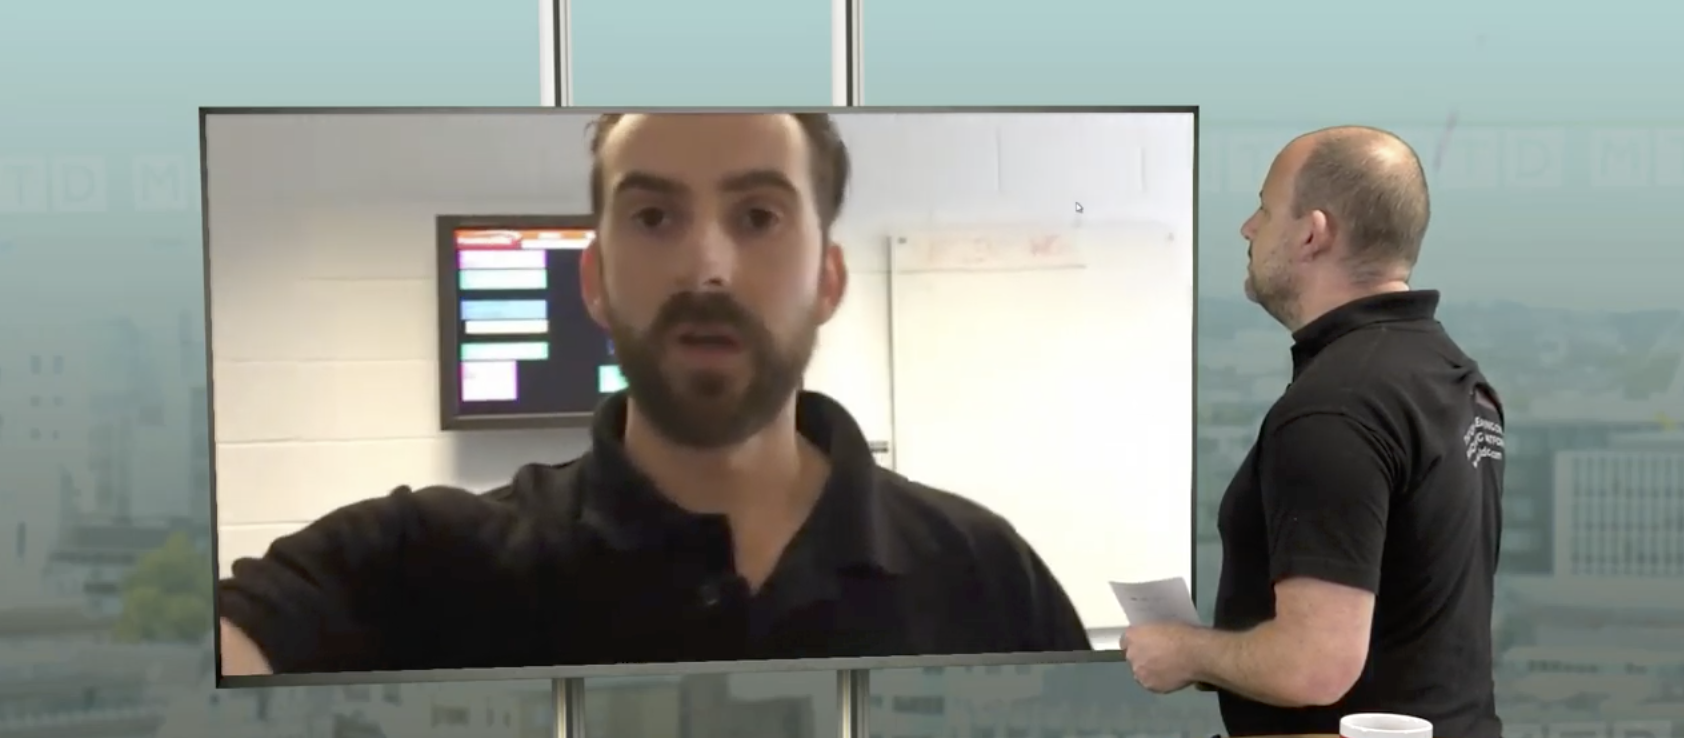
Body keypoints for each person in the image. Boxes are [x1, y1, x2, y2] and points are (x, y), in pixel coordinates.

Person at [217, 112, 1092, 676]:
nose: (707, 266)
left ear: (827, 280)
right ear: (595, 280)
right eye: (653, 217)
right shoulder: (419, 565)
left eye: (758, 216)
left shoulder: (987, 577)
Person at [1121, 126, 1504, 738]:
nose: (1248, 228)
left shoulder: (1335, 408)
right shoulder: (1450, 375)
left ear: (1312, 233)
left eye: (1266, 209)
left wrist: (1186, 652)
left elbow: (1314, 665)